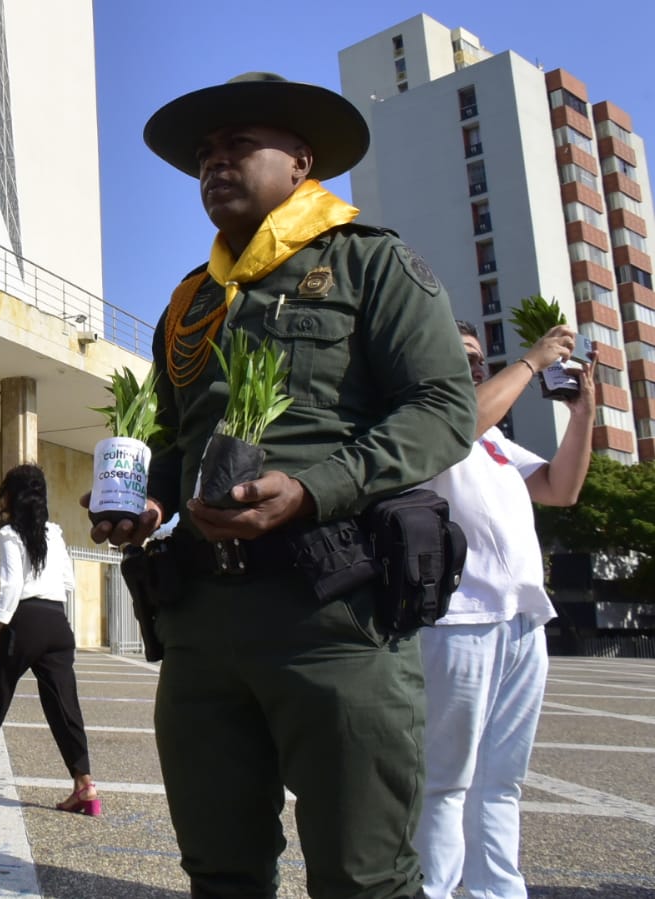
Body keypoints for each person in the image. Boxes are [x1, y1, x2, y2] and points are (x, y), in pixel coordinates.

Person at [89, 73, 478, 898]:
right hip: (201, 624)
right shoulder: (189, 304)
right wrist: (146, 498)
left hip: (333, 612)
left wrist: (314, 488)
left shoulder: (368, 262)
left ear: (300, 161)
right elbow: (168, 437)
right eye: (203, 155)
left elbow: (445, 407)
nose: (213, 165)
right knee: (219, 869)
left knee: (362, 875)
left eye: (236, 146)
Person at [415, 322, 594, 899]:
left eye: (478, 359)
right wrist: (534, 361)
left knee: (502, 780)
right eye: (461, 356)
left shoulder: (495, 439)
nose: (473, 366)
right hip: (458, 618)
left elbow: (561, 488)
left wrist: (584, 413)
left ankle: (498, 890)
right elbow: (459, 424)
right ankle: (433, 889)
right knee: (445, 780)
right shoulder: (430, 417)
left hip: (521, 619)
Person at [0, 464, 97, 815]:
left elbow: (11, 586)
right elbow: (68, 582)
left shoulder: (9, 536)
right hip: (57, 622)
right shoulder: (55, 533)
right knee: (64, 706)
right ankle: (84, 784)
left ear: (12, 496)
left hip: (23, 621)